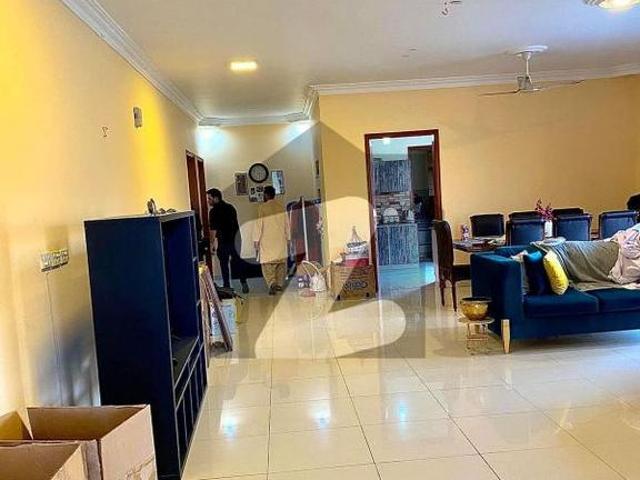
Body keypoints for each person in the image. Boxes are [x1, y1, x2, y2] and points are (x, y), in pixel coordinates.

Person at [207, 188, 249, 294]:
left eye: (210, 199)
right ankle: (244, 283)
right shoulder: (231, 207)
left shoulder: (213, 212)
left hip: (223, 241)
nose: (208, 201)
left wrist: (212, 244)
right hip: (236, 239)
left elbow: (213, 230)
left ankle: (227, 286)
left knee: (224, 264)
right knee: (238, 262)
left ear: (216, 198)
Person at [253, 186, 290, 295]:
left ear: (266, 195)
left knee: (267, 266)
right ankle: (279, 284)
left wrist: (256, 240)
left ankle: (272, 283)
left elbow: (259, 224)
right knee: (281, 265)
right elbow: (287, 224)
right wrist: (288, 238)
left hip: (267, 241)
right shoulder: (281, 207)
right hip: (280, 240)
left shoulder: (262, 208)